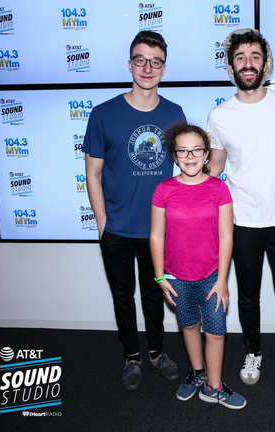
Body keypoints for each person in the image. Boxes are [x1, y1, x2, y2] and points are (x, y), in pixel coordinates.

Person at [206, 28, 275, 385]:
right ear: (231, 66)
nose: (248, 63)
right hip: (243, 220)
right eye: (240, 58)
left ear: (264, 63)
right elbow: (217, 166)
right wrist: (190, 175)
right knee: (248, 295)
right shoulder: (220, 115)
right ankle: (253, 351)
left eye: (254, 56)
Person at [84, 30, 184, 390]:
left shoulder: (175, 113)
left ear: (163, 68)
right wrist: (101, 222)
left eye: (155, 61)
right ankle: (132, 358)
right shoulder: (104, 114)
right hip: (118, 229)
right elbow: (92, 172)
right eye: (140, 59)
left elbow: (187, 168)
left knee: (156, 293)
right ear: (130, 64)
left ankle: (157, 352)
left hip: (160, 229)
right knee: (123, 298)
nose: (147, 67)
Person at [149, 124, 246, 409]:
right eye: (182, 150)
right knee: (189, 325)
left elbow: (227, 235)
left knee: (215, 331)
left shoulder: (219, 188)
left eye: (197, 150)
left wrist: (222, 280)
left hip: (211, 276)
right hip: (176, 277)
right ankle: (197, 373)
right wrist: (159, 277)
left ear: (206, 154)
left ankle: (213, 387)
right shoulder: (163, 190)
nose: (190, 156)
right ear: (174, 155)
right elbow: (156, 235)